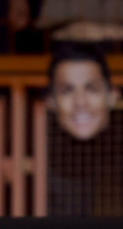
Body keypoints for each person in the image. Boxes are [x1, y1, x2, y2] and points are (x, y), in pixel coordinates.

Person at [46, 42, 122, 215]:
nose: (80, 102)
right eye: (67, 91)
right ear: (51, 102)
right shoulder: (35, 151)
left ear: (112, 96)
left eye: (92, 89)